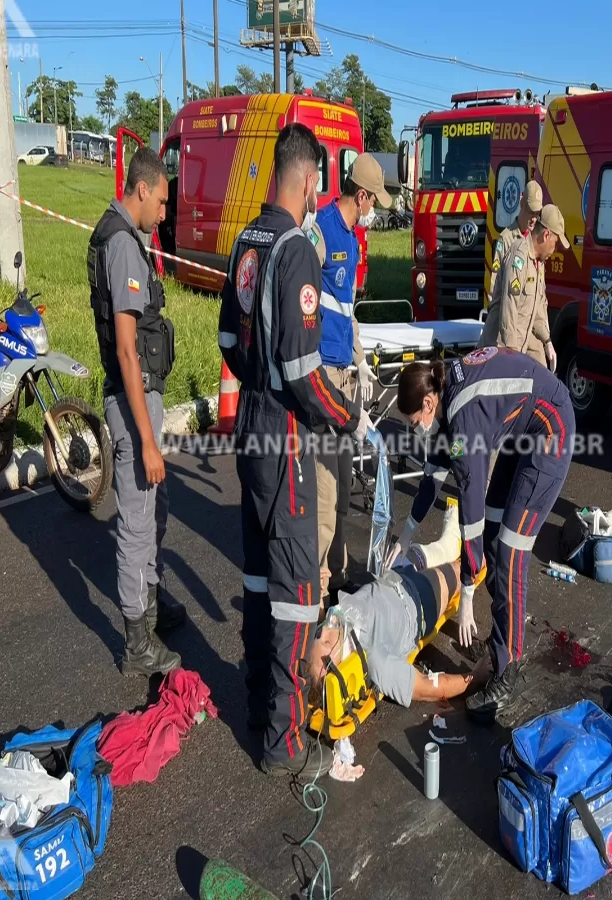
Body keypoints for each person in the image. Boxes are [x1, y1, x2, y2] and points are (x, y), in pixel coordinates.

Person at [217, 123, 372, 780]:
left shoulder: (246, 243)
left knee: (258, 576)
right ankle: (282, 743)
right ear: (310, 181)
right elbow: (308, 373)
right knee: (297, 589)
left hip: (252, 424)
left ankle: (259, 706)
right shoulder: (297, 248)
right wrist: (348, 420)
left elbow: (228, 337)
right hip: (285, 435)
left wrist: (257, 381)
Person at [385, 347, 574, 722]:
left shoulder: (464, 416)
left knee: (510, 552)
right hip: (524, 430)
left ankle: (509, 668)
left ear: (427, 402)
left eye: (413, 421)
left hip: (551, 430)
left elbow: (468, 502)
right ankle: (503, 636)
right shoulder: (444, 395)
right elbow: (434, 475)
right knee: (490, 534)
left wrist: (468, 592)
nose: (414, 428)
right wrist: (405, 535)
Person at [88, 147, 186, 678]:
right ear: (143, 190)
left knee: (155, 511)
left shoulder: (126, 237)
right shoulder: (123, 244)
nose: (166, 213)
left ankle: (150, 606)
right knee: (136, 525)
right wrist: (148, 440)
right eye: (164, 201)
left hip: (139, 397)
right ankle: (136, 641)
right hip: (133, 402)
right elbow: (128, 350)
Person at [308, 153, 389, 604]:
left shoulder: (354, 240)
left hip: (344, 373)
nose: (375, 210)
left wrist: (360, 364)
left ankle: (337, 577)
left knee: (341, 486)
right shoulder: (319, 231)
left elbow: (348, 312)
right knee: (323, 493)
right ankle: (318, 595)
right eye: (374, 201)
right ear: (361, 195)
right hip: (321, 376)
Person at [310, 504, 473, 706]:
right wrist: (475, 677)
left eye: (319, 634)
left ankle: (451, 539)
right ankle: (492, 546)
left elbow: (322, 627)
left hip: (392, 577)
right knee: (468, 566)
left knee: (428, 551)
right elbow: (428, 687)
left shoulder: (338, 632)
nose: (326, 627)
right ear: (341, 668)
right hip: (419, 599)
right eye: (326, 641)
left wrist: (315, 592)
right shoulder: (376, 661)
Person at [480, 206, 568, 371]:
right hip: (498, 350)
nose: (555, 250)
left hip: (522, 344)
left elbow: (539, 306)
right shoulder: (518, 256)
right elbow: (509, 307)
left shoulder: (538, 262)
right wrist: (511, 353)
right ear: (546, 235)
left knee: (541, 379)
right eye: (555, 243)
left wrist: (547, 341)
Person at [482, 181, 544, 324]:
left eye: (537, 213)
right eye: (531, 212)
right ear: (521, 204)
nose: (534, 218)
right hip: (506, 320)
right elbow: (495, 285)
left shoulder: (535, 241)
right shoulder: (507, 239)